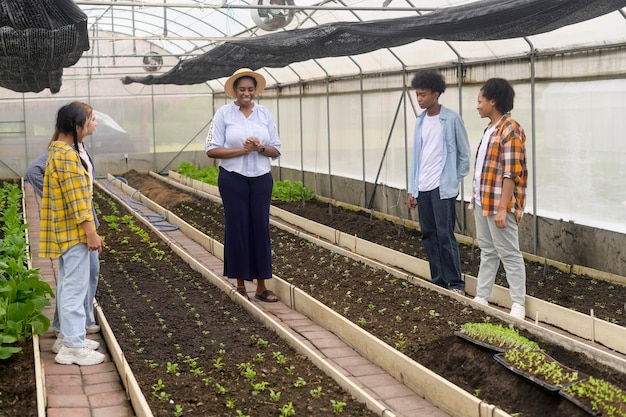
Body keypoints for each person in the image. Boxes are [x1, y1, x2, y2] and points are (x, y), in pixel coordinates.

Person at [27, 101, 102, 349]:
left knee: (72, 282)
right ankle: (73, 344)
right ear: (77, 126)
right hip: (75, 230)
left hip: (70, 228)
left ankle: (68, 337)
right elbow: (77, 201)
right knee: (74, 286)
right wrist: (91, 233)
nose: (94, 124)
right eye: (90, 120)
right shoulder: (68, 156)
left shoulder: (62, 151)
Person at [205, 68, 281, 302]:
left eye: (250, 89)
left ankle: (261, 286)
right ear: (235, 91)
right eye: (242, 89)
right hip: (233, 177)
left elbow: (276, 149)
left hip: (261, 178)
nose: (246, 93)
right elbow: (211, 150)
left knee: (260, 227)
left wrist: (259, 148)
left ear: (255, 90)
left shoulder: (264, 114)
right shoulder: (224, 114)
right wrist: (243, 150)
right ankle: (240, 284)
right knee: (237, 227)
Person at [407, 70, 471, 295]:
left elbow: (464, 156)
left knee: (445, 235)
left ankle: (455, 283)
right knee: (428, 234)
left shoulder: (451, 119)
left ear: (436, 93)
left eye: (423, 94)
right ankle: (438, 280)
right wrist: (412, 188)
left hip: (443, 188)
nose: (419, 99)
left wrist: (453, 179)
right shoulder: (420, 121)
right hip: (423, 187)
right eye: (417, 95)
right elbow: (417, 157)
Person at [470, 78, 528, 320]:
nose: (477, 106)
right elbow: (483, 169)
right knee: (488, 250)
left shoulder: (510, 128)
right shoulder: (489, 130)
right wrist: (474, 199)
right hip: (484, 202)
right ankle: (482, 295)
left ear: (492, 101)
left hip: (499, 204)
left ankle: (518, 304)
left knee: (509, 253)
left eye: (480, 101)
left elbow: (510, 172)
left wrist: (504, 208)